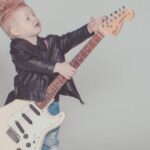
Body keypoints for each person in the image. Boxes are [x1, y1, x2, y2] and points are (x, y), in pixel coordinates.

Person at [0, 0, 105, 149]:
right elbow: (30, 62)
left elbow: (68, 39)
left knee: (50, 140)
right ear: (16, 31)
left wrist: (88, 29)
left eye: (33, 14)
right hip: (26, 105)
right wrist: (56, 67)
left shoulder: (52, 42)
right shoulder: (17, 49)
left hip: (51, 104)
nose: (34, 18)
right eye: (28, 18)